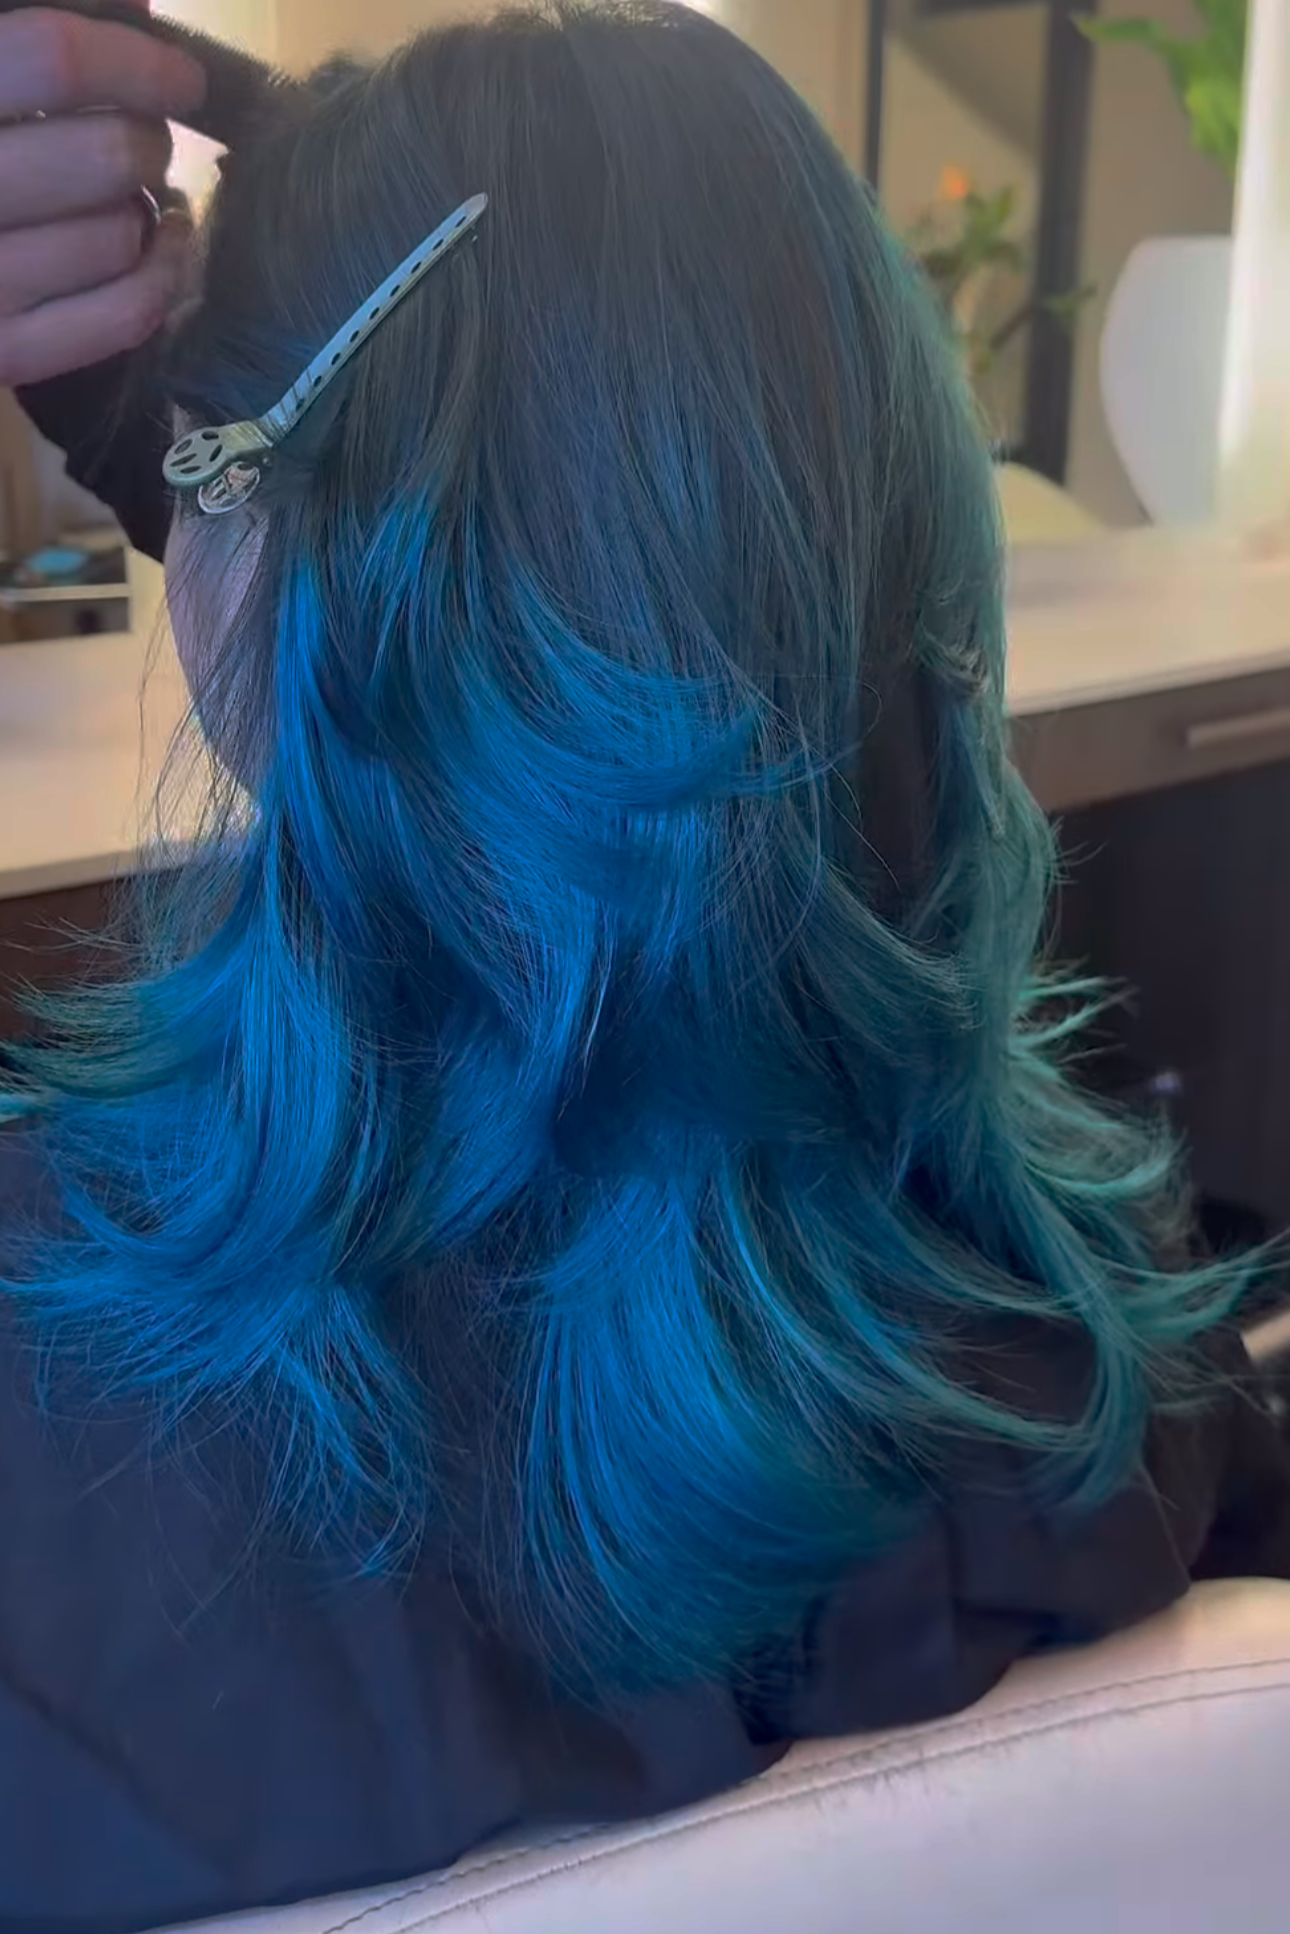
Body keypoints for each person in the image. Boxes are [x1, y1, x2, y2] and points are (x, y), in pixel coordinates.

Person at [2, 3, 1289, 1927]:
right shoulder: (1113, 1356)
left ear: (260, 571)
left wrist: (247, 559)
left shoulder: (63, 1449)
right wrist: (234, 514)